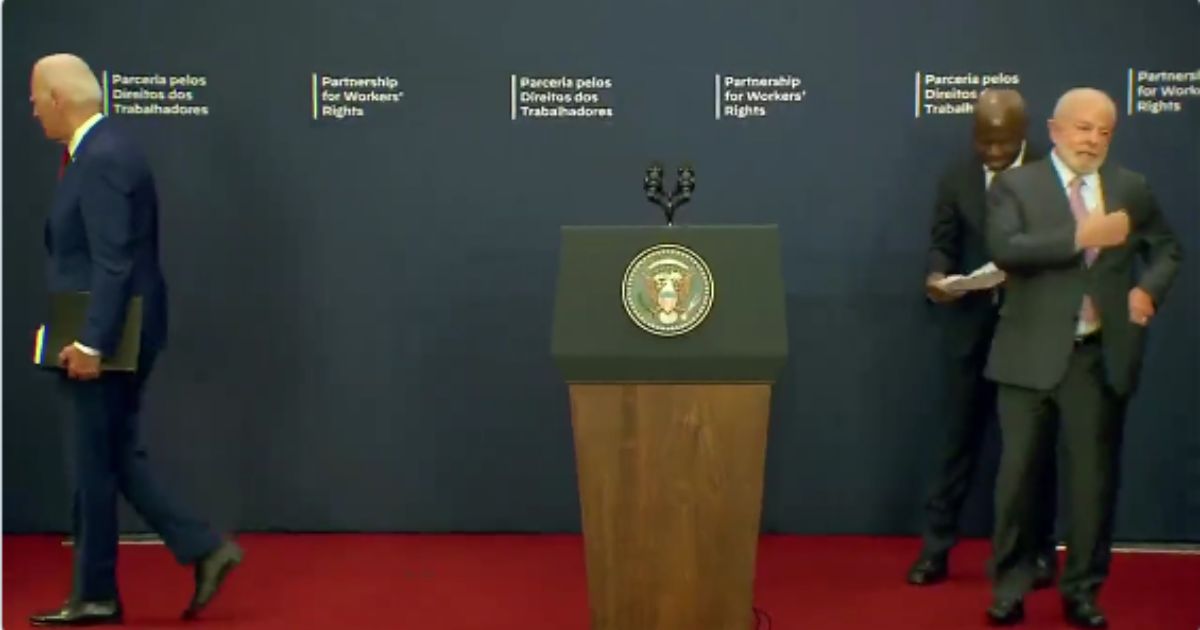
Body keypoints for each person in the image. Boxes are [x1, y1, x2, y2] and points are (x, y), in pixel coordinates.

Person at [27, 53, 243, 626]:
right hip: (107, 329)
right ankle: (200, 548)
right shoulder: (99, 153)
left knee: (93, 465)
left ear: (57, 100)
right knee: (111, 457)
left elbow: (112, 261)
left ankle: (100, 592)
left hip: (110, 338)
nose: (31, 112)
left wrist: (93, 344)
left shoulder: (101, 158)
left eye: (33, 100)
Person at [982, 87, 1182, 627]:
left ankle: (1084, 591)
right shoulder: (1014, 185)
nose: (1092, 140)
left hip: (1097, 358)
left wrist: (1147, 293)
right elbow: (1006, 249)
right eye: (1082, 128)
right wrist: (1080, 236)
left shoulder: (1129, 188)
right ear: (1054, 129)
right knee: (1018, 481)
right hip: (1027, 359)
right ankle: (1011, 585)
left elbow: (1167, 248)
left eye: (1103, 131)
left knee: (1093, 485)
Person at [910, 89, 1058, 588]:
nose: (993, 152)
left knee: (1030, 451)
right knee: (955, 444)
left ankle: (1036, 554)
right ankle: (935, 550)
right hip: (968, 331)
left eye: (1003, 142)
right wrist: (938, 277)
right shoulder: (957, 177)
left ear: (1023, 133)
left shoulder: (1051, 174)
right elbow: (942, 243)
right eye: (984, 141)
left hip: (1029, 329)